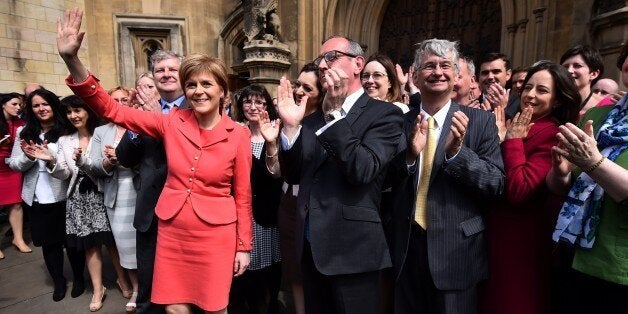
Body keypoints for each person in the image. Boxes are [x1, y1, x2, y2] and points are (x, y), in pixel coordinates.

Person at [58, 8, 252, 313]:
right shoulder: (171, 122)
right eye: (192, 85)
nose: (198, 91)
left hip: (216, 235)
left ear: (222, 91)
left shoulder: (238, 134)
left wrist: (243, 245)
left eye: (206, 84)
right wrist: (72, 60)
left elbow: (242, 196)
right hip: (173, 229)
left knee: (215, 308)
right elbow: (112, 110)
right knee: (174, 308)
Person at [276, 35, 403, 313]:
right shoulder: (310, 119)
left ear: (358, 64)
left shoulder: (385, 114)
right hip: (311, 248)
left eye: (330, 57)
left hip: (353, 251)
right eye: (319, 60)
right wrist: (290, 129)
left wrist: (335, 115)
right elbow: (295, 175)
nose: (322, 65)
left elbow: (363, 169)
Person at [387, 39, 504, 314]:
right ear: (415, 76)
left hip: (456, 252)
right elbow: (383, 182)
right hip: (406, 249)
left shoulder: (480, 121)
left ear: (456, 75)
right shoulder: (399, 123)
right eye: (429, 66)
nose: (437, 72)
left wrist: (456, 154)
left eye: (445, 66)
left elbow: (496, 183)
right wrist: (409, 157)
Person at [479, 60, 580, 314]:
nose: (530, 95)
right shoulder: (517, 122)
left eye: (542, 90)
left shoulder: (553, 133)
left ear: (557, 100)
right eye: (527, 88)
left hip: (521, 244)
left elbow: (520, 190)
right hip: (493, 236)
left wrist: (511, 142)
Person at [547, 42, 628, 314]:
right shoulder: (596, 115)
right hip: (573, 254)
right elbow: (561, 186)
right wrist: (559, 172)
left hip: (618, 268)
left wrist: (594, 162)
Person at [116, 50, 189, 313]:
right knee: (150, 287)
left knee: (186, 288)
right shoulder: (143, 112)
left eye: (172, 69)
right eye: (160, 71)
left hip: (187, 212)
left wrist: (161, 120)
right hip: (151, 212)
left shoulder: (198, 106)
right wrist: (139, 123)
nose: (166, 74)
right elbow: (124, 157)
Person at [8, 88, 85, 302]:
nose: (41, 109)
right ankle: (58, 282)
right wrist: (28, 157)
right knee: (50, 245)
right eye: (36, 106)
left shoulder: (67, 130)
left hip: (64, 196)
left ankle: (79, 279)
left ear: (53, 105)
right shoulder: (24, 132)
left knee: (72, 243)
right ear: (30, 110)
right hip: (37, 198)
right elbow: (14, 164)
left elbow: (70, 168)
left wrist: (50, 158)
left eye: (45, 104)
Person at [229, 85, 283, 314]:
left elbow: (277, 173)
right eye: (248, 102)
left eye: (259, 102)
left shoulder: (276, 132)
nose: (253, 107)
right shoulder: (233, 133)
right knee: (243, 270)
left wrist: (270, 142)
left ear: (267, 106)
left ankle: (269, 306)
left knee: (268, 268)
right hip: (239, 212)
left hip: (266, 212)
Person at [89, 86, 139, 312]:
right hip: (117, 196)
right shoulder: (101, 131)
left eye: (124, 99)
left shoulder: (140, 124)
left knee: (147, 244)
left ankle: (153, 287)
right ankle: (137, 288)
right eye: (115, 100)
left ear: (131, 101)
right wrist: (110, 162)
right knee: (126, 247)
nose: (120, 103)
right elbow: (95, 167)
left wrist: (126, 159)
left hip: (142, 193)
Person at [0, 93, 32, 257]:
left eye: (20, 105)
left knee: (16, 204)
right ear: (3, 104)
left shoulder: (21, 123)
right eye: (14, 104)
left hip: (11, 167)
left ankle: (18, 239)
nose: (18, 107)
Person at [560, 45, 605, 117]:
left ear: (593, 74)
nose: (569, 71)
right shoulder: (551, 104)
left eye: (577, 66)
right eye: (565, 66)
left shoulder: (607, 107)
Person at [478, 52, 520, 118]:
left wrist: (501, 109)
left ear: (508, 75)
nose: (490, 77)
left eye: (496, 71)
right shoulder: (472, 103)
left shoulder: (519, 103)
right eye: (485, 73)